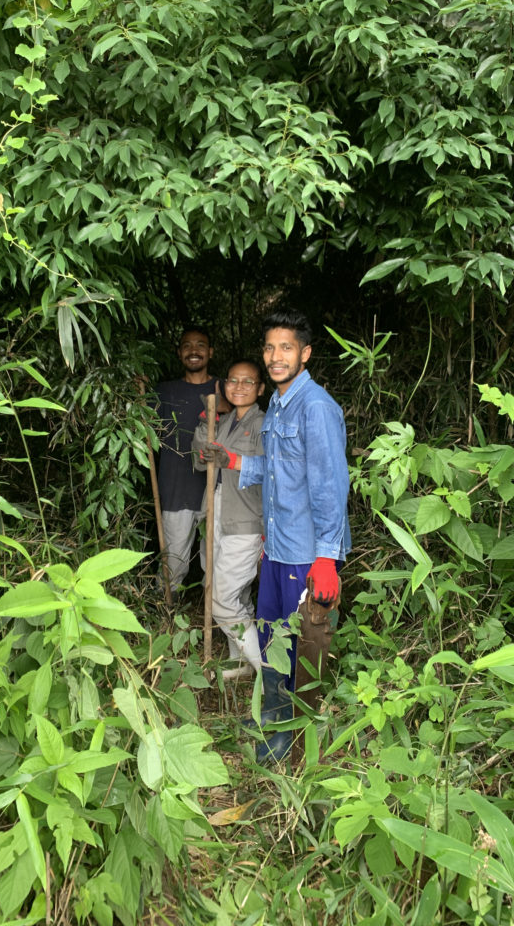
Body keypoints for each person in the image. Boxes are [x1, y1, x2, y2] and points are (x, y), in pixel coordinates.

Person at [202, 310, 351, 762]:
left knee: (303, 644)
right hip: (279, 546)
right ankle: (271, 712)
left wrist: (326, 557)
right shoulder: (281, 407)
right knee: (270, 634)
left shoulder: (316, 407)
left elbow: (329, 483)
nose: (275, 356)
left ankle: (295, 732)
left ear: (305, 353)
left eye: (286, 347)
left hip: (308, 554)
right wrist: (235, 463)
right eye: (269, 347)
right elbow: (278, 470)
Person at [192, 359, 265, 676]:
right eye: (232, 380)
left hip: (245, 519)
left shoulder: (265, 424)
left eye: (247, 381)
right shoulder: (223, 422)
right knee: (234, 593)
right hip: (215, 513)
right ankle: (241, 661)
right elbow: (199, 462)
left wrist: (233, 459)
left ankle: (266, 669)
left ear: (260, 388)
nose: (238, 386)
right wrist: (205, 422)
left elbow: (272, 473)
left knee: (220, 598)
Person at [155, 327, 222, 592]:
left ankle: (218, 622)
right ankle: (164, 618)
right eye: (187, 346)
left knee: (216, 566)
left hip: (215, 492)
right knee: (173, 565)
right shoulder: (163, 392)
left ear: (211, 352)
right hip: (174, 491)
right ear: (179, 352)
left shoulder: (225, 389)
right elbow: (142, 431)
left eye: (201, 345)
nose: (194, 351)